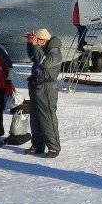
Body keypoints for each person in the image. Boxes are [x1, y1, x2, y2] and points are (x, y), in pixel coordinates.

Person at [25, 28, 63, 158]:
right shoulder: (42, 48)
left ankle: (53, 147)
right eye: (37, 40)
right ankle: (37, 145)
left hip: (47, 87)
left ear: (46, 40)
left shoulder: (54, 51)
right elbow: (33, 57)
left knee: (47, 117)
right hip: (36, 85)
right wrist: (31, 44)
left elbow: (43, 62)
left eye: (40, 40)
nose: (39, 42)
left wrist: (36, 46)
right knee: (35, 117)